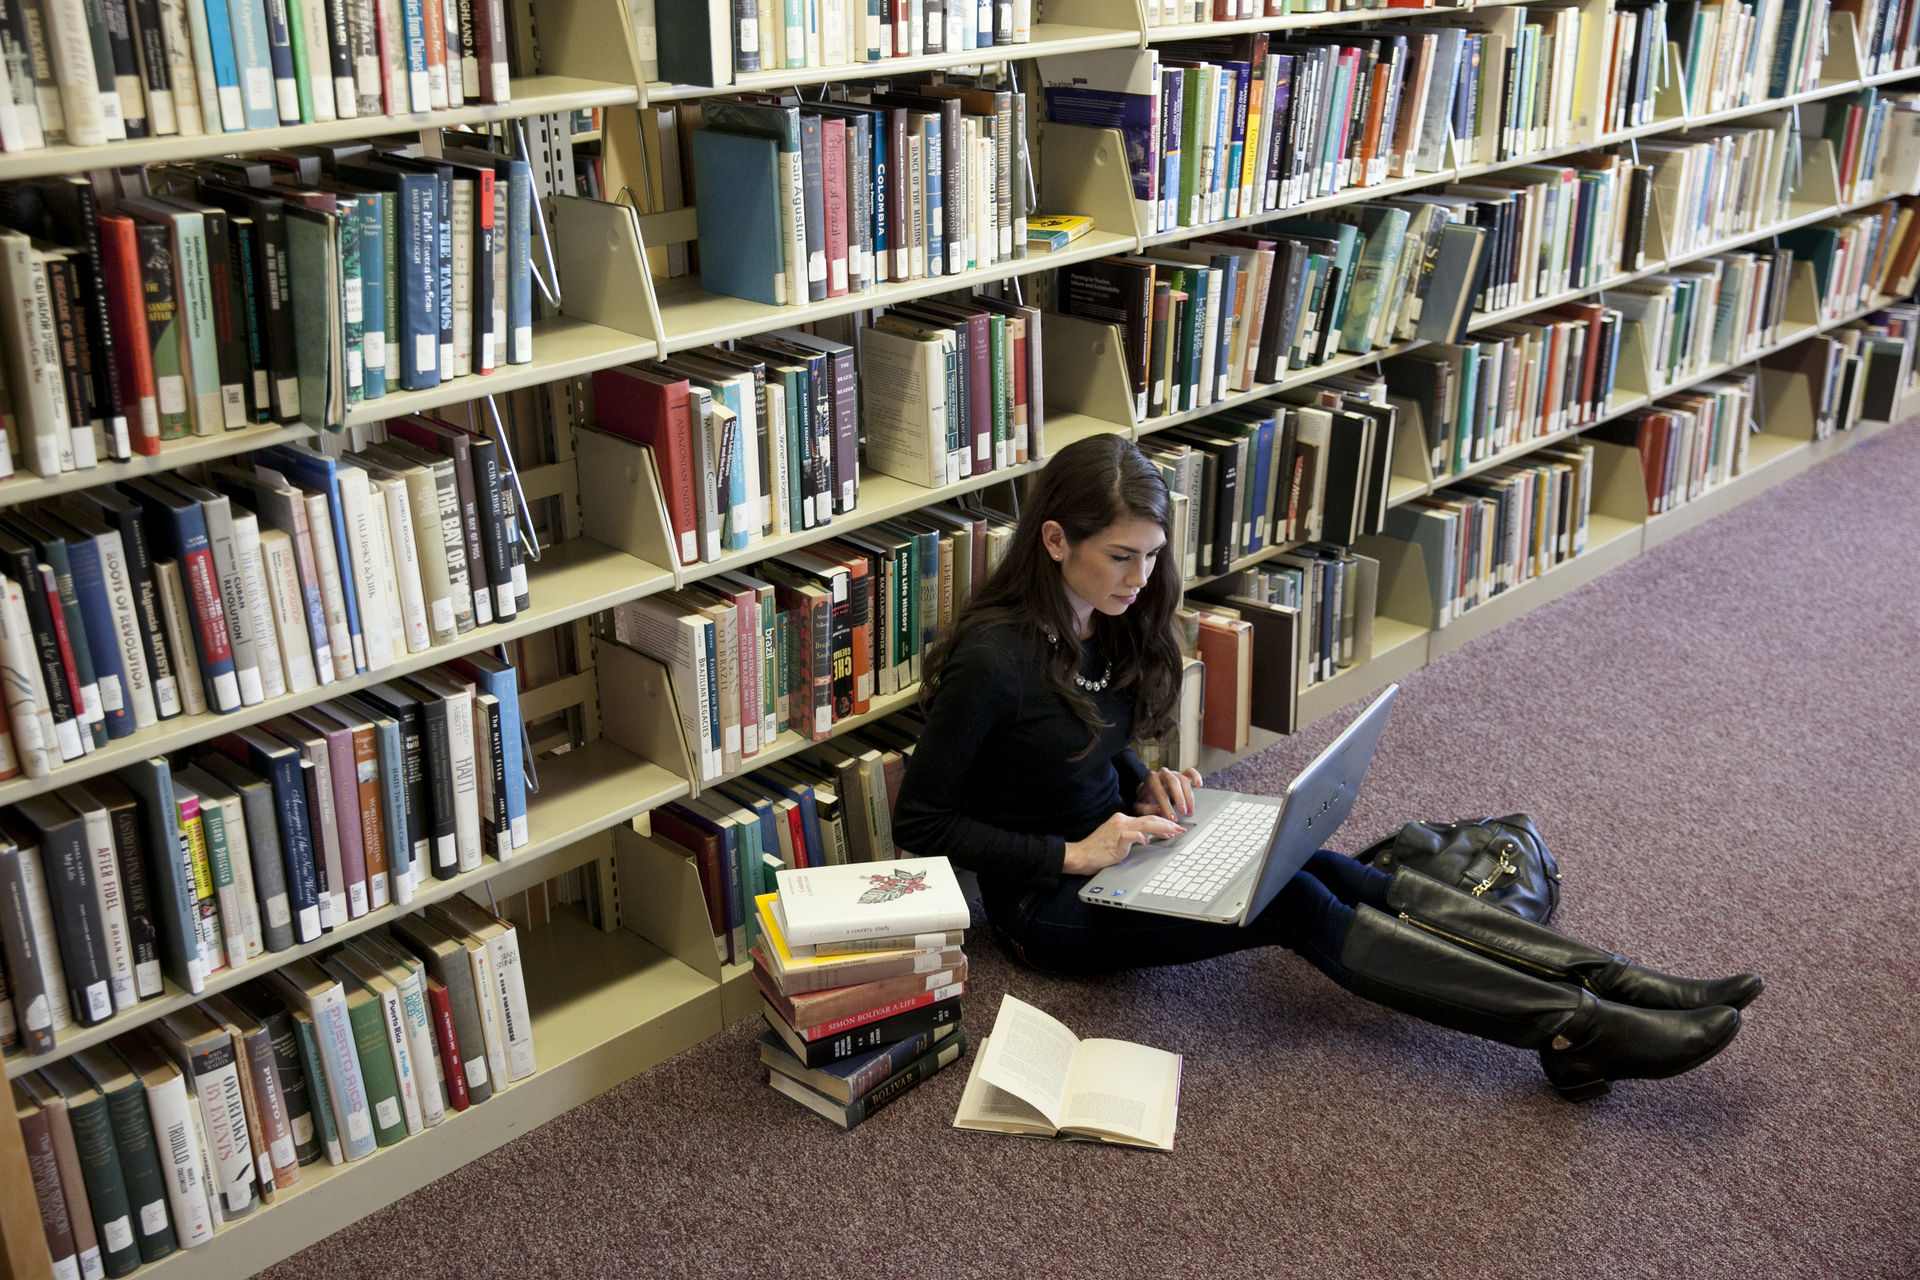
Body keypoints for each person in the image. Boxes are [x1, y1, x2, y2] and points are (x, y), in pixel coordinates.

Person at [890, 434, 1762, 1101]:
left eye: (1153, 553)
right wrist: (1071, 856)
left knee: (1325, 862)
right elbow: (921, 825)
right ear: (1053, 540)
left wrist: (1138, 777)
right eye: (1122, 555)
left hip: (1131, 849)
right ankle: (1576, 1028)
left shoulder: (1111, 615)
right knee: (1295, 902)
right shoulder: (992, 659)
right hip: (1049, 909)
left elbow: (1078, 728)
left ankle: (1612, 978)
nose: (1143, 575)